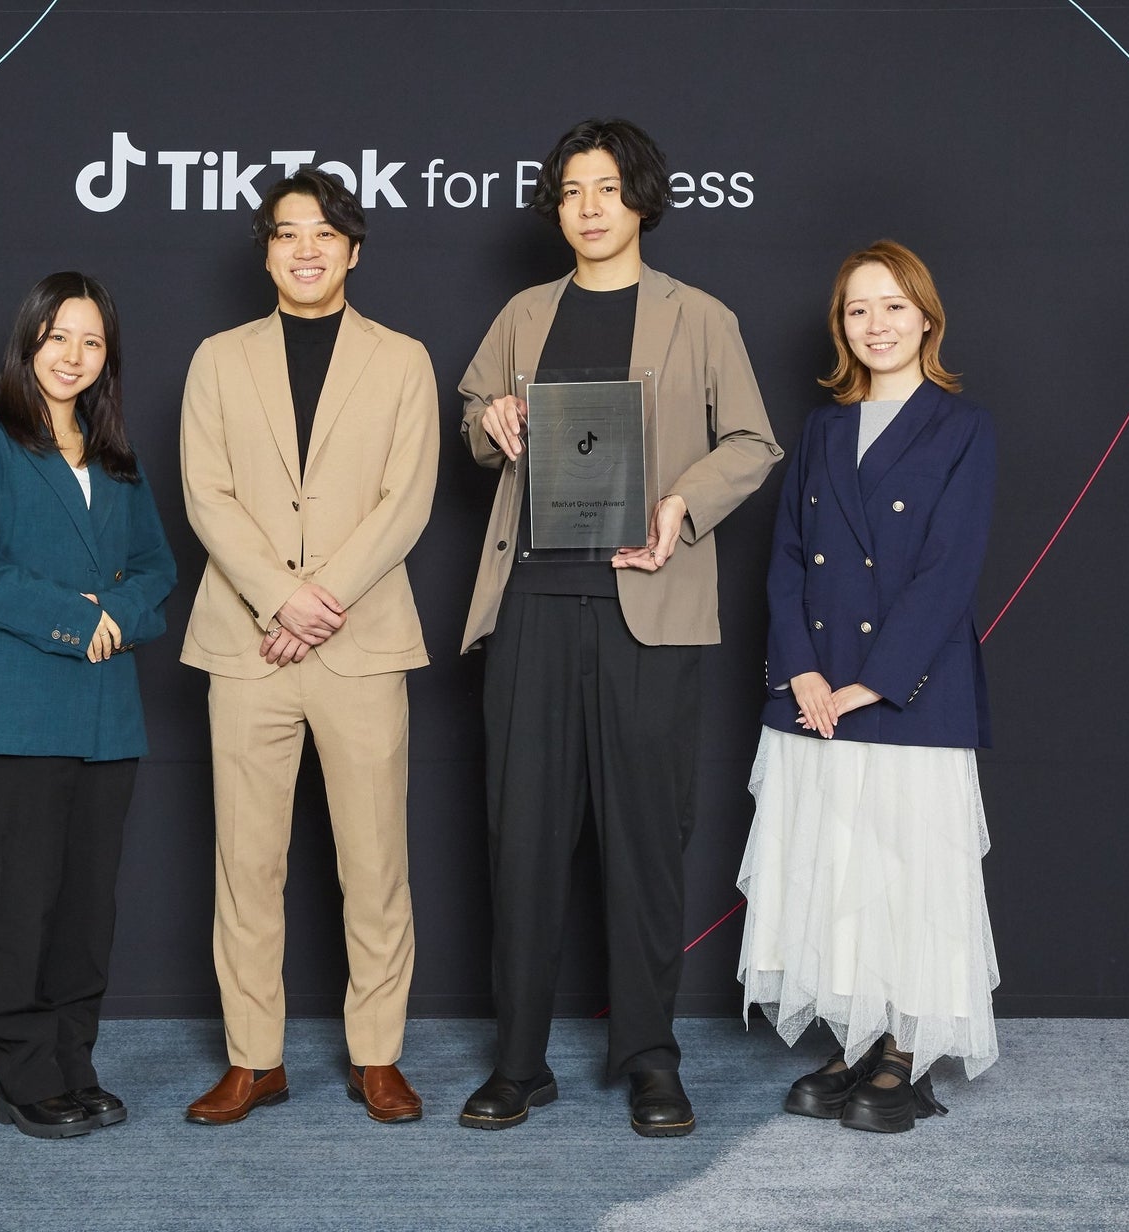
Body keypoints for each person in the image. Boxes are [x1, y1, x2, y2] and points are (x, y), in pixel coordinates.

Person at [457, 118, 782, 1138]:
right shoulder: (523, 312)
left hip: (651, 609)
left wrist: (683, 502)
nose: (588, 207)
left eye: (605, 188)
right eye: (570, 191)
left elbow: (753, 441)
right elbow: (474, 419)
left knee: (646, 840)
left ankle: (649, 1057)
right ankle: (519, 1062)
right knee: (522, 839)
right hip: (533, 607)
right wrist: (490, 422)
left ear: (640, 198)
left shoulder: (700, 315)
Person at [178, 168, 439, 1126]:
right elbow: (207, 495)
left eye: (325, 233)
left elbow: (406, 501)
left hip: (361, 644)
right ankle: (255, 1060)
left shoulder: (403, 359)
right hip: (247, 647)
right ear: (267, 251)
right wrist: (281, 601)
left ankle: (378, 1055)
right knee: (246, 865)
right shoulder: (218, 359)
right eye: (288, 233)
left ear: (353, 250)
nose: (306, 249)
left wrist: (319, 601)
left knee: (374, 863)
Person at [736, 239, 1000, 1134]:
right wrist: (804, 670)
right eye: (858, 309)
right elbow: (784, 562)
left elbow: (948, 571)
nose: (875, 324)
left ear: (926, 318)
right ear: (841, 325)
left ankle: (905, 1048)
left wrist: (873, 685)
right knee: (835, 865)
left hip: (910, 692)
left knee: (907, 870)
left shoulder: (963, 426)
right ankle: (855, 1034)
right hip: (812, 688)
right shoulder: (822, 429)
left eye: (893, 306)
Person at [0, 271, 177, 1138]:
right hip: (21, 708)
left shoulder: (116, 456)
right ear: (29, 342)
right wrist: (76, 621)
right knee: (26, 903)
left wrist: (121, 615)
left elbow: (157, 567)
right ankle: (25, 1075)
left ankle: (75, 1062)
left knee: (87, 911)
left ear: (109, 357)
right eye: (58, 337)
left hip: (109, 716)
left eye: (92, 342)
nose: (73, 356)